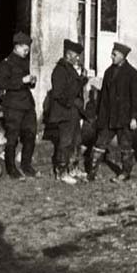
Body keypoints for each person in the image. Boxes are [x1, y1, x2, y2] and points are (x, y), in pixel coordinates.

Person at [87, 42, 137, 183]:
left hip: (124, 118)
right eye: (112, 54)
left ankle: (125, 173)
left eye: (114, 54)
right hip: (109, 117)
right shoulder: (108, 72)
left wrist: (134, 117)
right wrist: (100, 115)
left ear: (123, 56)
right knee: (100, 143)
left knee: (125, 146)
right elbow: (103, 97)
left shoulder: (132, 74)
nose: (111, 56)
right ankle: (91, 173)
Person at [0, 32, 39, 179]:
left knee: (30, 135)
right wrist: (22, 81)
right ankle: (11, 168)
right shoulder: (5, 64)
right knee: (12, 138)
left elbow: (25, 84)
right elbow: (2, 84)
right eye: (25, 49)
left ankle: (26, 166)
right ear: (17, 47)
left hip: (27, 105)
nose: (27, 52)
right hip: (13, 106)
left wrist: (31, 81)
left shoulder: (23, 62)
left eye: (28, 50)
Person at [46, 39, 88, 185]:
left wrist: (81, 80)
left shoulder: (70, 69)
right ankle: (61, 172)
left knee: (76, 141)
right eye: (76, 56)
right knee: (65, 142)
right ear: (68, 54)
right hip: (64, 113)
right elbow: (59, 94)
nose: (78, 59)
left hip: (73, 112)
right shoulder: (59, 70)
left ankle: (73, 168)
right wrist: (73, 101)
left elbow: (74, 89)